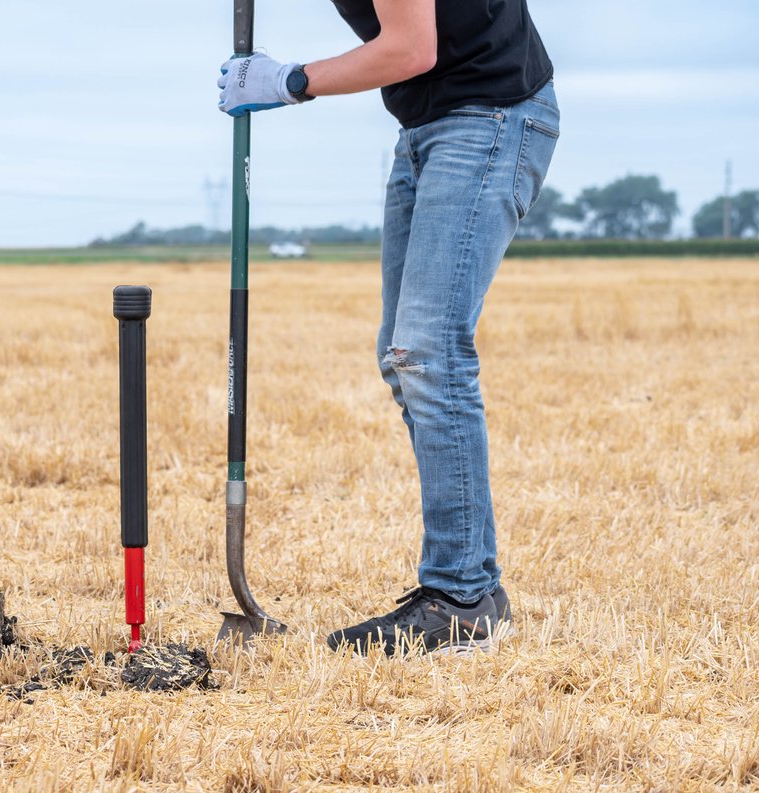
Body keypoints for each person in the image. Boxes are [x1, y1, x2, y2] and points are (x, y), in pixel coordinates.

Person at [218, 0, 558, 655]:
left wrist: (288, 81)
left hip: (490, 116)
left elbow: (410, 48)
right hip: (431, 122)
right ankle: (473, 588)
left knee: (428, 352)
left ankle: (459, 598)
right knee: (403, 356)